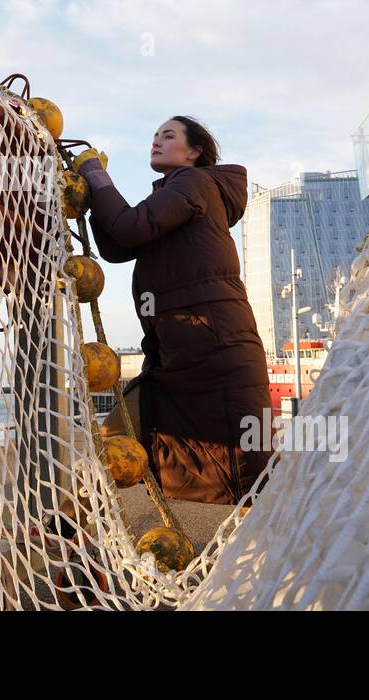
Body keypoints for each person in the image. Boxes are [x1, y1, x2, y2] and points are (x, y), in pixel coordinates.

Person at [80, 117, 274, 506]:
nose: (156, 142)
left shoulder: (194, 182)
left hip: (213, 353)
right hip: (178, 360)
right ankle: (69, 535)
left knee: (253, 478)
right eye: (154, 136)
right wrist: (91, 194)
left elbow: (129, 227)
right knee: (113, 438)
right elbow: (118, 245)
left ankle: (66, 531)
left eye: (168, 136)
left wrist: (95, 176)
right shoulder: (175, 194)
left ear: (194, 152)